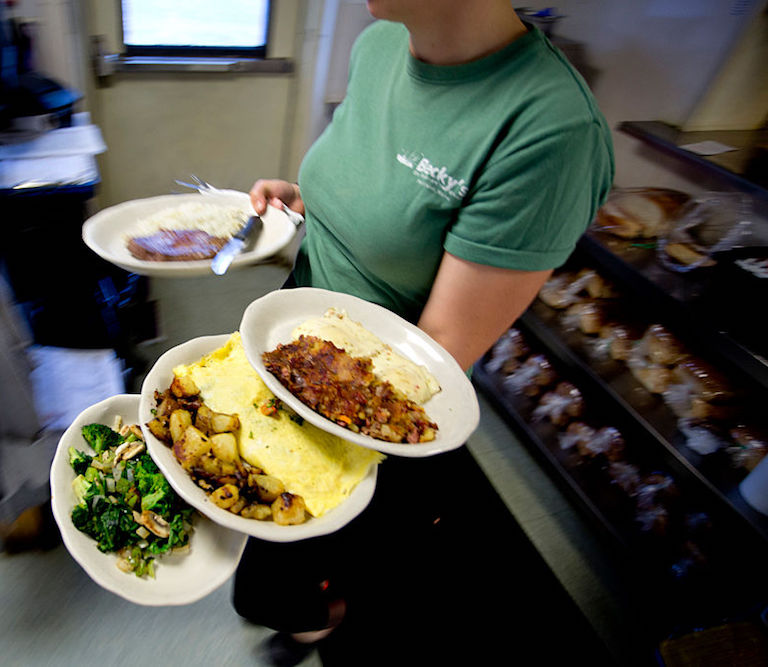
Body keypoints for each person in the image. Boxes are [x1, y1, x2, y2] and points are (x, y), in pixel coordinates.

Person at [233, 1, 614, 663]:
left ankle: (328, 616)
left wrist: (296, 402)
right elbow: (381, 196)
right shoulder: (381, 44)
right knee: (265, 558)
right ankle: (307, 615)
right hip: (294, 341)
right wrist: (309, 199)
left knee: (321, 575)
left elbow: (429, 360)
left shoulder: (551, 131)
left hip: (370, 407)